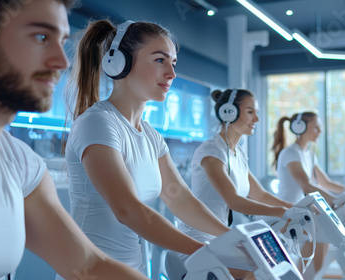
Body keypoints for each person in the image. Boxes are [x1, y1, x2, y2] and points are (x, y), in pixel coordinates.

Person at [0, 0, 149, 279]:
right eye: (41, 37)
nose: (62, 62)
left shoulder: (21, 165)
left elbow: (89, 266)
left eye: (61, 41)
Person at [59, 19, 230, 277]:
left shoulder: (150, 135)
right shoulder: (97, 123)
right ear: (119, 63)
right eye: (160, 60)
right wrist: (206, 253)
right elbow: (127, 210)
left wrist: (234, 238)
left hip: (132, 271)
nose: (171, 74)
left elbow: (181, 200)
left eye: (173, 63)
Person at [175, 89, 293, 279]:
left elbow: (260, 194)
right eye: (250, 112)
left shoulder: (238, 153)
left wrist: (295, 209)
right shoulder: (212, 151)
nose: (256, 119)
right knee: (259, 273)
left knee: (272, 265)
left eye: (256, 113)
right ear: (228, 112)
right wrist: (282, 212)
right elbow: (234, 201)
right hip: (199, 241)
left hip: (221, 239)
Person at [271, 112, 345, 279]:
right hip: (288, 213)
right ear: (300, 127)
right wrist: (335, 199)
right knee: (320, 243)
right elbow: (306, 184)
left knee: (324, 243)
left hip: (303, 214)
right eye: (316, 128)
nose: (319, 131)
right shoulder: (291, 153)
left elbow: (325, 183)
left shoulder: (310, 154)